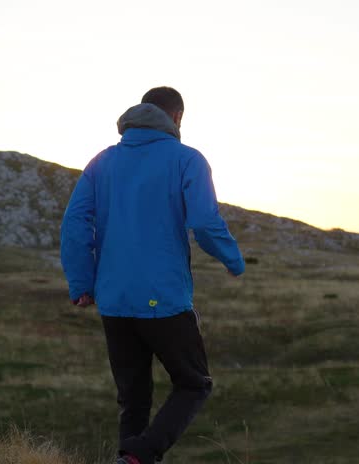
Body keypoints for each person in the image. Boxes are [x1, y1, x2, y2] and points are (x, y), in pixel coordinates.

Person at [60, 86, 245, 464]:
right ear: (177, 118)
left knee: (133, 398)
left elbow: (75, 223)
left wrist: (82, 283)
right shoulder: (186, 159)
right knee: (194, 384)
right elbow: (205, 221)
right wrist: (233, 259)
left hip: (113, 300)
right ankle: (139, 456)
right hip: (164, 299)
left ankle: (128, 458)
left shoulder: (102, 161)